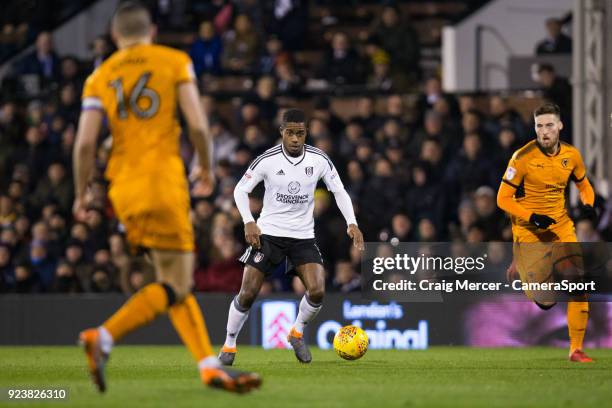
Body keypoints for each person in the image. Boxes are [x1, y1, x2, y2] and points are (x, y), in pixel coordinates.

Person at [73, 1, 261, 393]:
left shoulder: (99, 76)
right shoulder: (173, 61)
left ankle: (208, 367)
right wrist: (207, 168)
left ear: (114, 37)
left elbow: (85, 143)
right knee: (176, 281)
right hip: (162, 183)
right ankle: (103, 337)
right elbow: (197, 125)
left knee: (173, 281)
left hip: (122, 190)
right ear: (152, 32)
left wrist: (81, 191)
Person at [219, 109, 364, 365]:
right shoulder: (267, 160)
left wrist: (351, 222)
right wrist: (248, 221)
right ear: (282, 133)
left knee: (318, 291)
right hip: (269, 234)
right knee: (248, 292)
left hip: (303, 237)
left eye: (300, 133)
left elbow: (339, 191)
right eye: (290, 133)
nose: (295, 138)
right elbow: (241, 190)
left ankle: (296, 333)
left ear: (306, 133)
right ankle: (229, 345)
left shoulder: (319, 159)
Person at [497, 103, 595, 363]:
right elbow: (502, 199)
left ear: (560, 126)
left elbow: (584, 186)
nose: (544, 131)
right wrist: (532, 217)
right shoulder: (522, 157)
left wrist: (589, 206)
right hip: (529, 231)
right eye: (539, 126)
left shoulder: (571, 155)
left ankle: (576, 349)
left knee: (577, 281)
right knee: (546, 300)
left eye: (549, 125)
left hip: (560, 225)